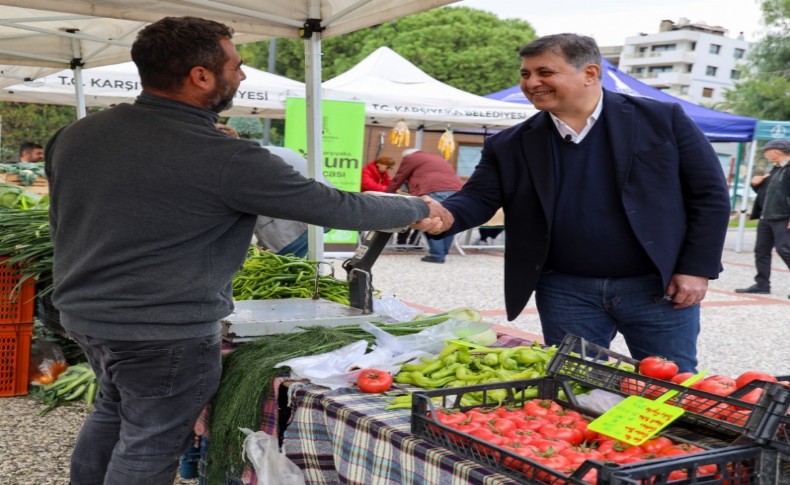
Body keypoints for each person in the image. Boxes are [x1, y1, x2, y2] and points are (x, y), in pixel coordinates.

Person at [44, 16, 450, 485]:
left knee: (111, 414)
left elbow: (77, 218)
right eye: (235, 65)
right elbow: (333, 206)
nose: (242, 75)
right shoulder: (226, 157)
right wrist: (413, 206)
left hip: (86, 316)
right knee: (150, 441)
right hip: (164, 330)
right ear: (201, 75)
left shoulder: (76, 135)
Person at [425, 33, 731, 372]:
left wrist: (696, 268)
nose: (532, 82)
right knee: (577, 385)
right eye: (525, 74)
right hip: (565, 291)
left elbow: (710, 195)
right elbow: (478, 197)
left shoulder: (662, 120)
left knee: (670, 389)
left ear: (589, 73)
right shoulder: (510, 144)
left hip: (657, 289)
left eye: (545, 72)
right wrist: (445, 215)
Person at [387, 148, 465, 263]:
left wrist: (386, 195)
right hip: (456, 189)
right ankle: (443, 252)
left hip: (433, 189)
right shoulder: (435, 157)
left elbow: (399, 178)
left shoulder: (410, 158)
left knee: (432, 220)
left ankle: (437, 255)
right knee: (448, 219)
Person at [735, 139, 790, 297]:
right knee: (761, 251)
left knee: (785, 250)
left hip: (783, 216)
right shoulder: (776, 168)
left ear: (776, 151)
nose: (765, 155)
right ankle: (762, 284)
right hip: (767, 217)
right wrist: (756, 184)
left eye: (766, 151)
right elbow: (768, 192)